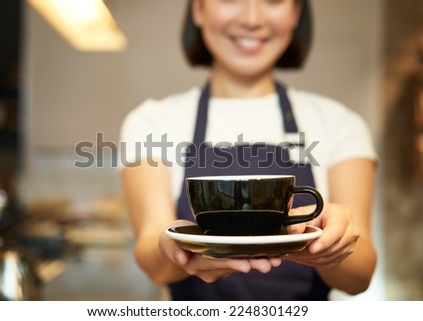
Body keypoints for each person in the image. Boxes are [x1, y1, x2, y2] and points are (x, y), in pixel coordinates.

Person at [119, 0, 377, 300]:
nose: (252, 18)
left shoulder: (339, 123)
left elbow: (360, 276)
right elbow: (153, 257)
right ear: (198, 9)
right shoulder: (151, 122)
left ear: (296, 13)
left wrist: (330, 246)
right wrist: (173, 249)